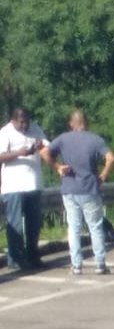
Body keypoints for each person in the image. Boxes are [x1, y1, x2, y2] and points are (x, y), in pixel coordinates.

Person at [42, 110, 114, 275]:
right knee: (95, 227)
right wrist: (103, 175)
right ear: (86, 123)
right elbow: (111, 158)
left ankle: (76, 265)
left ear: (71, 124)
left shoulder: (63, 138)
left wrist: (58, 167)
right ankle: (100, 264)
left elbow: (44, 152)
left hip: (69, 190)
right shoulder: (95, 139)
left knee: (73, 227)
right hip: (89, 189)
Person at [0, 107, 50, 270]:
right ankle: (15, 259)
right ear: (13, 120)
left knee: (34, 223)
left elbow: (46, 147)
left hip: (34, 184)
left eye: (26, 121)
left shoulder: (35, 129)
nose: (25, 125)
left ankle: (33, 255)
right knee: (15, 224)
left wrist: (41, 146)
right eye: (21, 122)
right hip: (13, 185)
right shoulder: (5, 132)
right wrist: (19, 153)